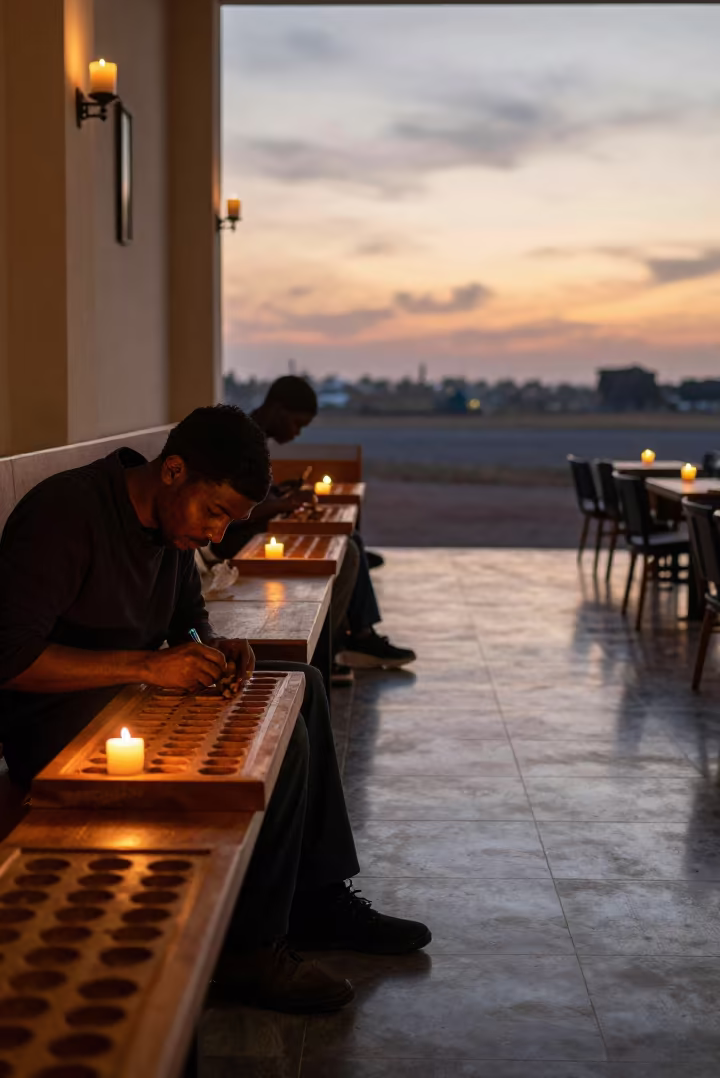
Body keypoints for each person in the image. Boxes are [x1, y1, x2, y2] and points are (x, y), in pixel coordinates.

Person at [0, 406, 430, 1013]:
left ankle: (318, 897)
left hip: (129, 704)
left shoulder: (169, 528)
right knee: (285, 734)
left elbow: (188, 622)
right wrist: (147, 667)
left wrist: (214, 651)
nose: (217, 535)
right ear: (173, 471)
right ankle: (250, 953)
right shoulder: (66, 514)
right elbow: (10, 659)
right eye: (216, 513)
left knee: (301, 686)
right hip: (56, 728)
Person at [214, 376, 415, 671]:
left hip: (255, 529)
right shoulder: (240, 439)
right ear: (278, 410)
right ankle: (338, 645)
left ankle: (355, 635)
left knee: (349, 544)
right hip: (235, 541)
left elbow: (251, 493)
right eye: (296, 424)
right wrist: (284, 504)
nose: (296, 434)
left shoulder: (253, 436)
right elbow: (233, 510)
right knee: (346, 551)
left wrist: (280, 491)